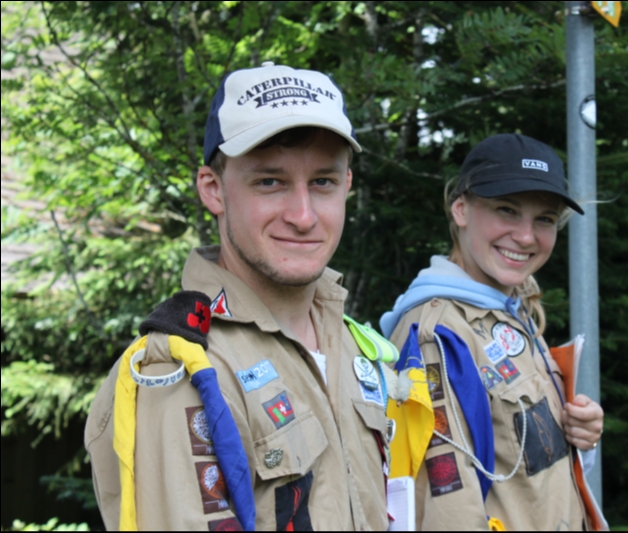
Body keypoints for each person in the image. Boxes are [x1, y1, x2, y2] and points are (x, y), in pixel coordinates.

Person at [85, 62, 398, 531]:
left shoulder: (353, 346)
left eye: (323, 182)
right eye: (269, 182)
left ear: (347, 186)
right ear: (213, 190)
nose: (303, 216)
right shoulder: (183, 370)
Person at [381, 133, 606, 531]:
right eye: (507, 210)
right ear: (461, 209)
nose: (526, 236)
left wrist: (575, 434)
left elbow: (520, 466)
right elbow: (445, 505)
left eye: (545, 219)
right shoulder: (437, 336)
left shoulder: (508, 309)